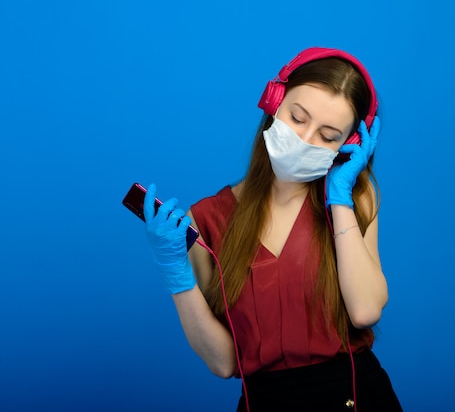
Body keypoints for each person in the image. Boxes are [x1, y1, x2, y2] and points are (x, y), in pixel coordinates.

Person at [142, 47, 403, 412]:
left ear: (349, 145)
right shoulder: (208, 219)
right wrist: (176, 276)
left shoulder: (356, 198)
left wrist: (340, 199)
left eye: (328, 136)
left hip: (356, 398)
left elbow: (364, 311)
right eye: (298, 117)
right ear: (273, 103)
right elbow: (223, 363)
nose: (305, 139)